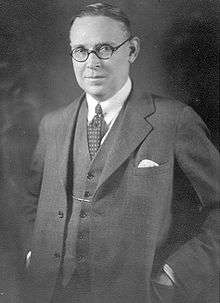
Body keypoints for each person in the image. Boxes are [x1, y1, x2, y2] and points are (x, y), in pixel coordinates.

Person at [21, 3, 219, 303]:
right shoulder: (53, 124)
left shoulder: (175, 120)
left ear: (133, 50)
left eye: (104, 48)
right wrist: (34, 253)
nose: (91, 63)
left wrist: (177, 272)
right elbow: (30, 199)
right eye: (80, 50)